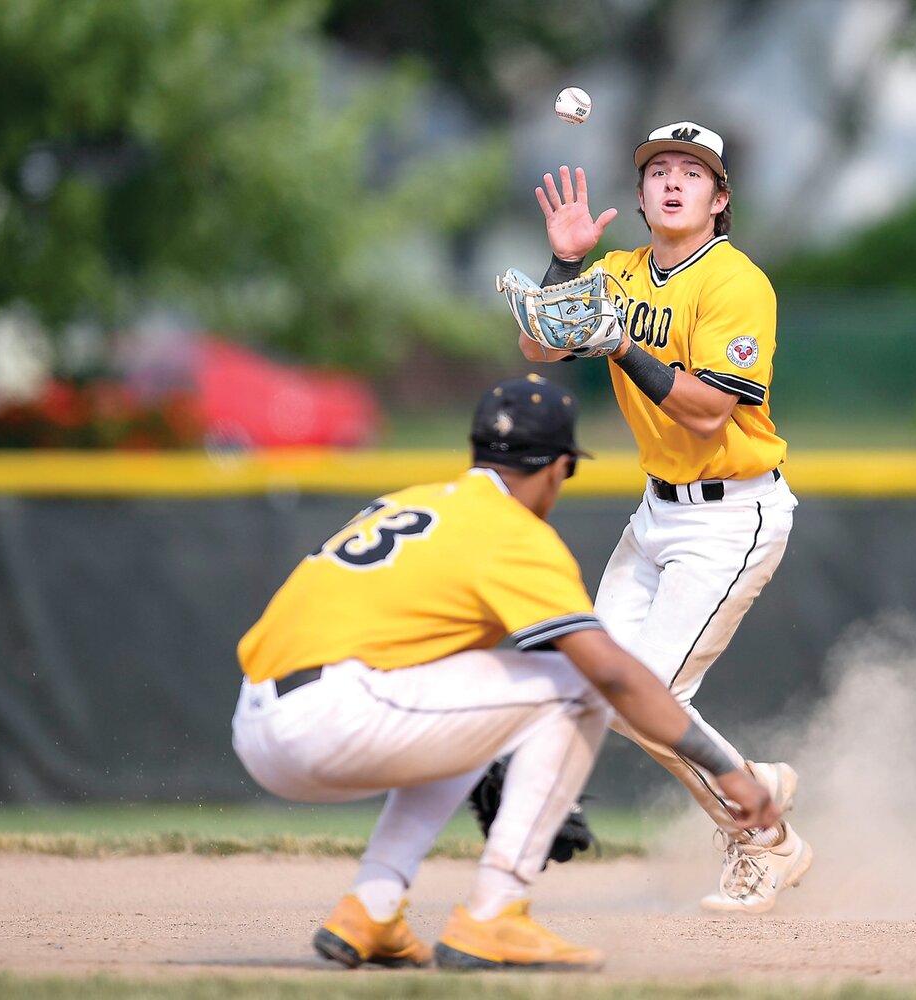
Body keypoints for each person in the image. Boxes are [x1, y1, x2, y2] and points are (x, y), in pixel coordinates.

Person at [230, 373, 778, 973]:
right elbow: (613, 676)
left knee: (501, 695)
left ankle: (372, 908)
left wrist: (509, 747)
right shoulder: (514, 533)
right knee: (581, 688)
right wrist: (727, 771)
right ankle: (496, 914)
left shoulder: (412, 501)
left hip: (258, 722)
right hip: (332, 720)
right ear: (558, 467)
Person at [513, 121, 811, 912]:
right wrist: (567, 263)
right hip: (656, 514)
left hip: (731, 516)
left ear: (720, 200)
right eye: (658, 171)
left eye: (693, 172)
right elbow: (537, 346)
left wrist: (618, 346)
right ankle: (757, 797)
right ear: (642, 196)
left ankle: (765, 838)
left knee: (651, 698)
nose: (673, 182)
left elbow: (710, 411)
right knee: (608, 692)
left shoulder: (734, 282)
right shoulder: (617, 272)